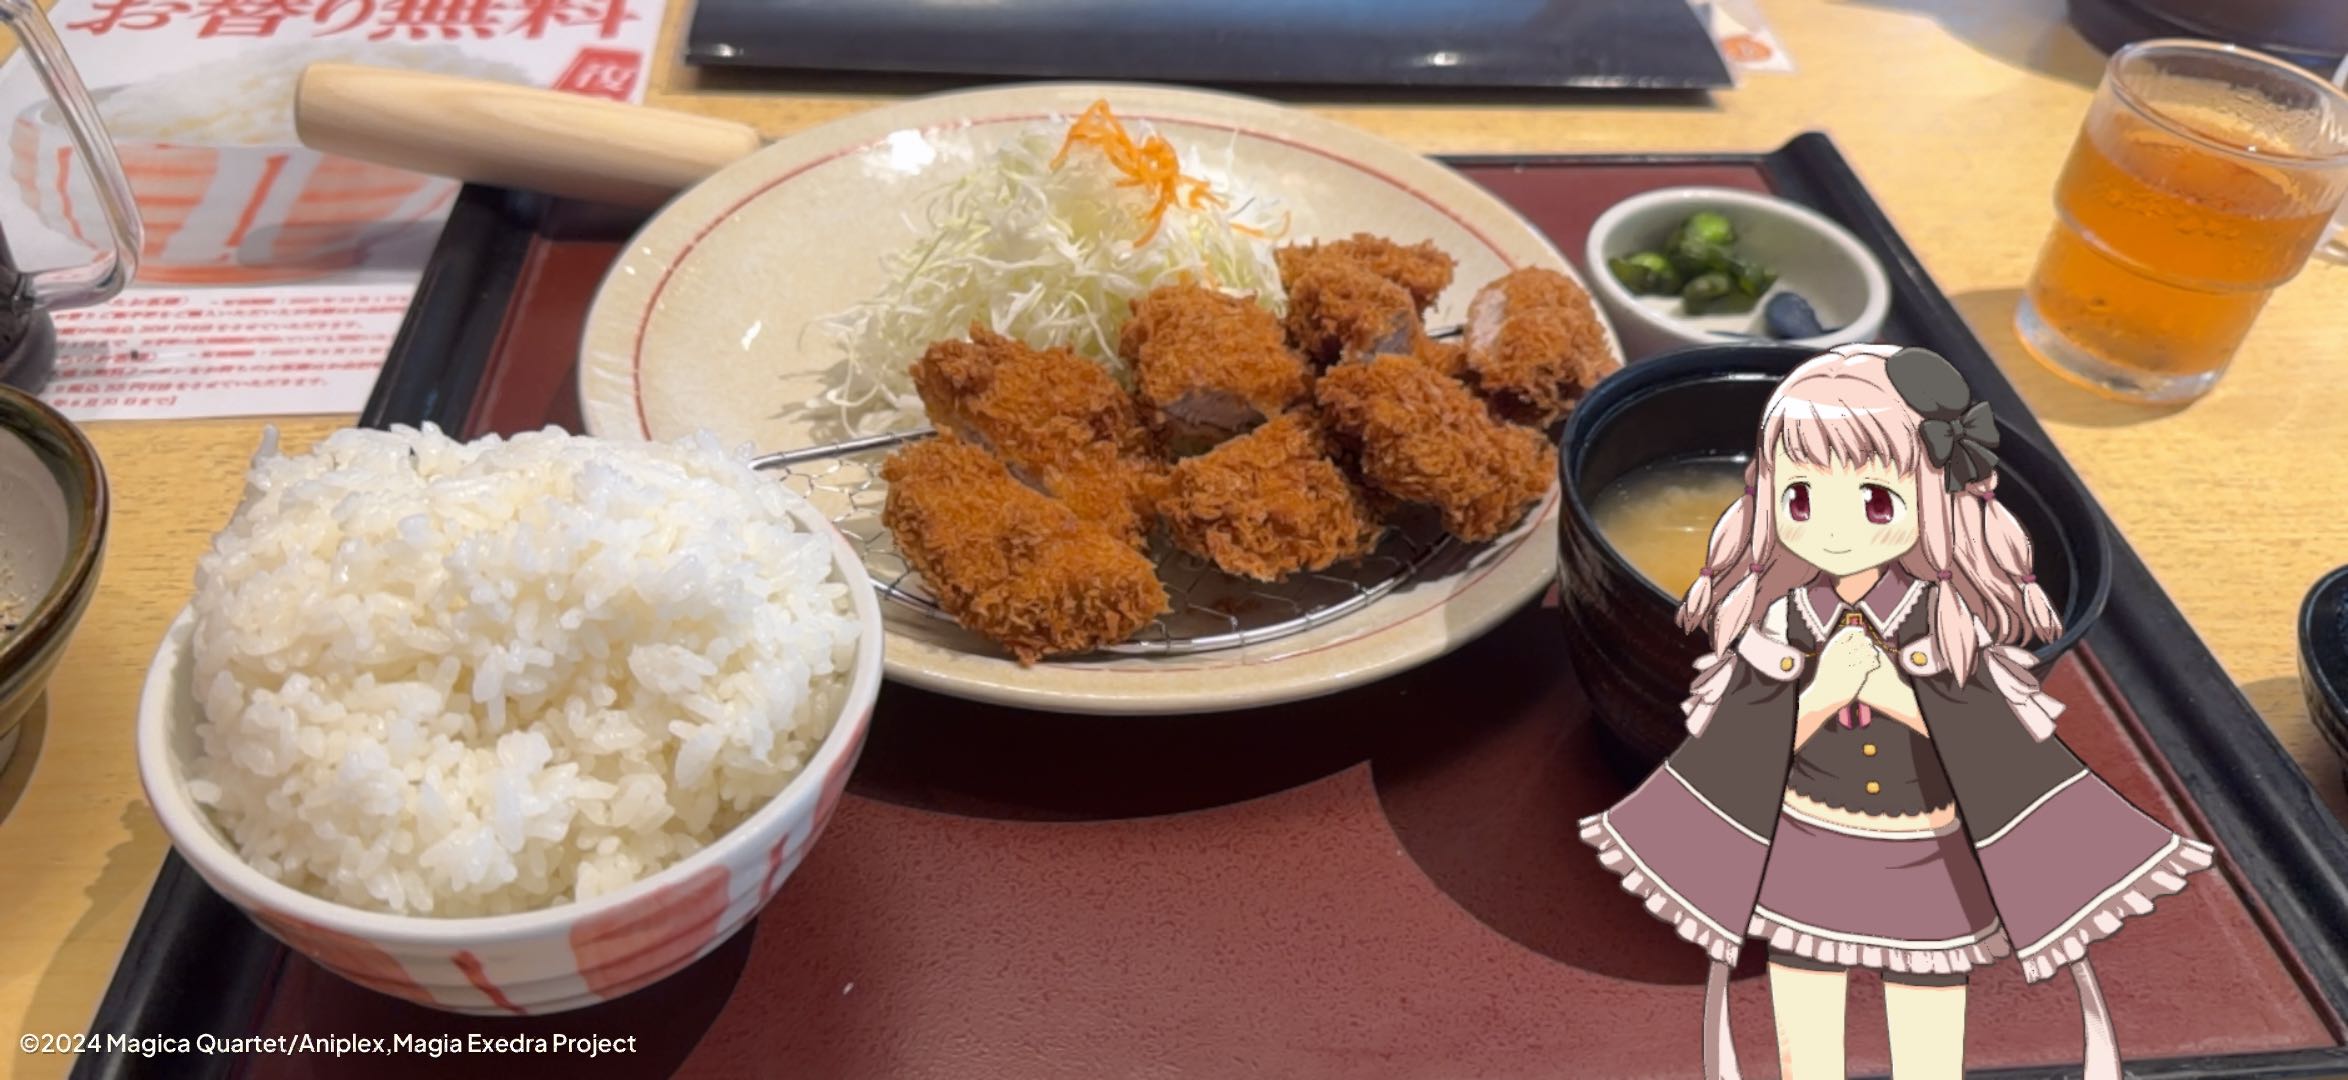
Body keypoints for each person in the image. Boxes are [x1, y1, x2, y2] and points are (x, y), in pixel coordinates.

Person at [1578, 343, 2214, 1079]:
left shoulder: (1950, 619)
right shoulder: (1777, 609)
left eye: (1876, 502)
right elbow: (1736, 729)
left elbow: (1995, 736)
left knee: (1926, 1003)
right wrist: (1822, 691)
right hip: (1798, 838)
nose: (1831, 529)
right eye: (1800, 498)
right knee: (1804, 1005)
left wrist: (1896, 696)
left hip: (1921, 845)